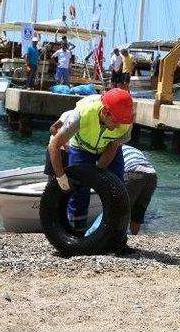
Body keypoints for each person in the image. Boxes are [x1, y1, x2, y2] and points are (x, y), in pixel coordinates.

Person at [47, 89, 134, 251]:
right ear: (105, 112)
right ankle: (77, 239)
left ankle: (119, 240)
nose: (118, 126)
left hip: (108, 147)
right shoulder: (80, 116)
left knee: (118, 191)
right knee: (78, 192)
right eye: (115, 122)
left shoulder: (124, 123)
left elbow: (113, 145)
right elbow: (54, 145)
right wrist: (61, 178)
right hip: (81, 147)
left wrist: (97, 173)